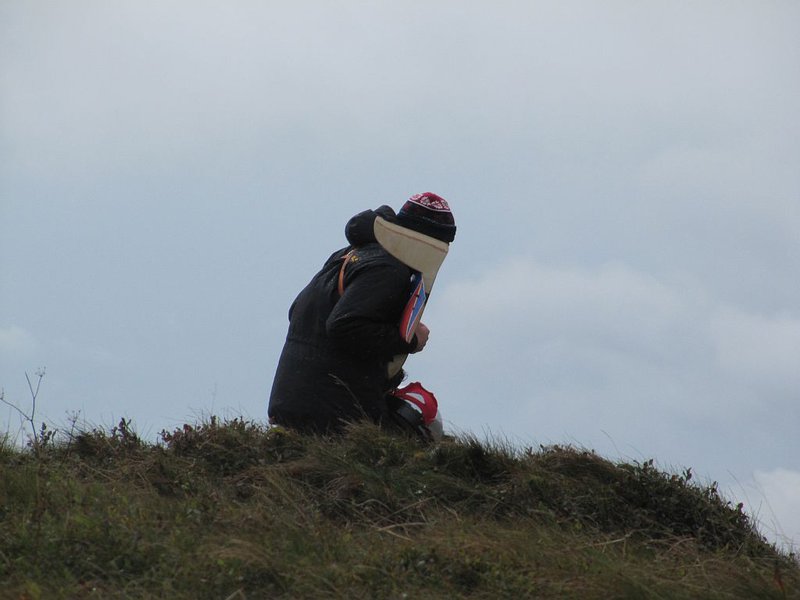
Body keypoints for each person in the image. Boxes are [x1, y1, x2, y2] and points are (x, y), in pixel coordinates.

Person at [268, 193, 456, 441]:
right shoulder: (389, 269)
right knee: (424, 413)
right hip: (333, 414)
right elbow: (344, 325)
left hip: (288, 403)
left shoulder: (348, 254)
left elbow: (298, 311)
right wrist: (408, 339)